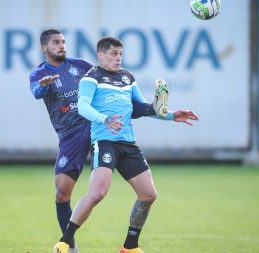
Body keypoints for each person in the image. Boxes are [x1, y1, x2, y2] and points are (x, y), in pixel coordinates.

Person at [52, 37, 198, 253]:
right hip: (105, 142)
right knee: (97, 194)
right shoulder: (91, 77)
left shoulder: (127, 77)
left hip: (128, 144)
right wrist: (105, 119)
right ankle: (65, 242)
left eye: (120, 54)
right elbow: (82, 107)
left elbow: (139, 108)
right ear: (100, 55)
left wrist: (171, 115)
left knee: (149, 195)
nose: (118, 58)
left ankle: (130, 246)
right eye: (113, 54)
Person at [29, 29, 166, 253]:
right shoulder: (40, 73)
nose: (62, 45)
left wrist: (161, 111)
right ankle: (69, 244)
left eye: (63, 41)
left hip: (97, 127)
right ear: (44, 47)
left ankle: (123, 245)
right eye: (56, 42)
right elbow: (35, 91)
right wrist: (44, 85)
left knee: (125, 192)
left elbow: (104, 77)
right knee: (62, 192)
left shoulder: (80, 66)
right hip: (71, 133)